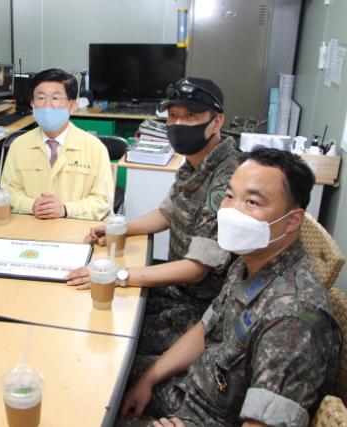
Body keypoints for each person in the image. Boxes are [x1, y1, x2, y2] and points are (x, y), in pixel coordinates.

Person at [117, 148, 342, 427]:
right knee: (110, 366)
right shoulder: (250, 261)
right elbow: (206, 328)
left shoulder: (292, 320)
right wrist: (148, 378)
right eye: (229, 195)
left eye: (252, 202)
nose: (231, 211)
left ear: (292, 221)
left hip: (207, 418)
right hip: (192, 386)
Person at [67, 77, 243, 355]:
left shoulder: (229, 178)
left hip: (203, 308)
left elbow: (197, 269)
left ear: (217, 121)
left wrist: (119, 275)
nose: (178, 123)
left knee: (110, 341)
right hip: (175, 290)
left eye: (191, 116)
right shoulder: (195, 160)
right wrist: (120, 228)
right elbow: (168, 212)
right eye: (173, 115)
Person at [0, 68, 113, 220]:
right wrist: (31, 205)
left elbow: (103, 200)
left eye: (55, 98)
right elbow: (7, 193)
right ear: (32, 104)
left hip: (75, 228)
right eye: (41, 98)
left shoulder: (95, 148)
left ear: (72, 106)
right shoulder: (19, 145)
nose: (47, 106)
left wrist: (65, 209)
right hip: (30, 226)